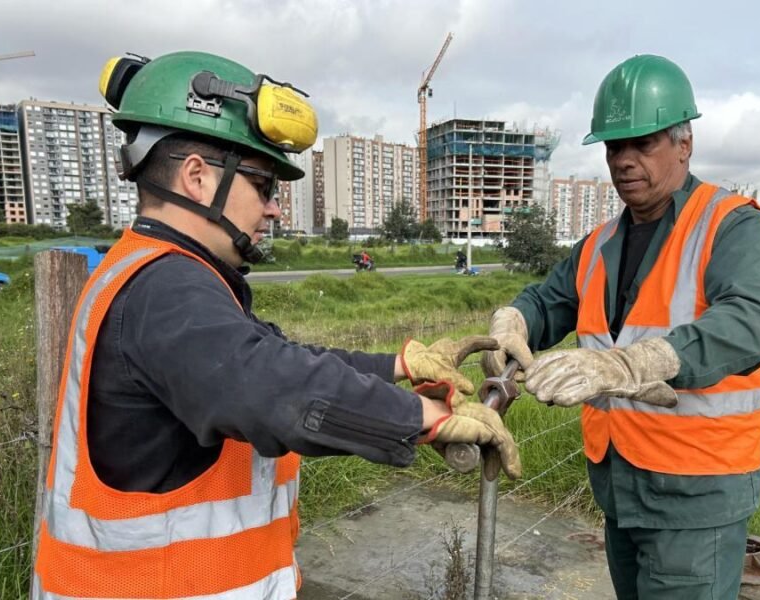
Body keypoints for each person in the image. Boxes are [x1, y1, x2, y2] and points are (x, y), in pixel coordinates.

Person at [32, 51, 521, 600]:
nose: (274, 211)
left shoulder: (170, 276)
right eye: (264, 186)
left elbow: (271, 355)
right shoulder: (164, 290)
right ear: (197, 178)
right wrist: (424, 418)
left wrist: (400, 365)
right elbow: (270, 385)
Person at [482, 54, 760, 600]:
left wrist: (632, 363)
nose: (624, 160)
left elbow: (752, 320)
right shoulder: (602, 242)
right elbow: (550, 299)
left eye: (642, 143)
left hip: (697, 494)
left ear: (684, 143)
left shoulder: (731, 226)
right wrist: (514, 322)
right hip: (621, 486)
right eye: (613, 146)